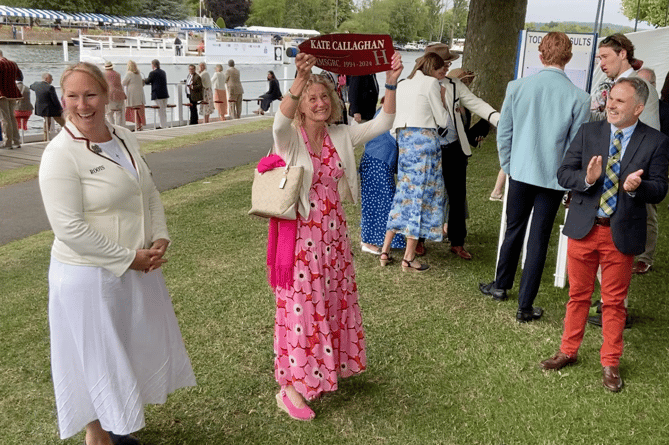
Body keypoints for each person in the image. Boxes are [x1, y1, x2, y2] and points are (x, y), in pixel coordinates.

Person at [38, 61, 196, 444]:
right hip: (88, 277)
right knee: (93, 360)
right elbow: (69, 229)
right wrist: (129, 257)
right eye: (72, 96)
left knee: (123, 350)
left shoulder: (125, 137)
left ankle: (115, 423)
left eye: (90, 94)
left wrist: (159, 235)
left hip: (134, 271)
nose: (81, 104)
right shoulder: (60, 154)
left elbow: (148, 191)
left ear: (107, 96)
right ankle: (99, 436)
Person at [269, 51, 402, 420]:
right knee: (302, 309)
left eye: (324, 97)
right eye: (312, 98)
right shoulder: (290, 139)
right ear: (301, 105)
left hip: (333, 238)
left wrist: (390, 80)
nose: (320, 103)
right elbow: (278, 123)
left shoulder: (340, 134)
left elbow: (385, 121)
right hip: (299, 238)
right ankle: (291, 388)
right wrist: (301, 77)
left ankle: (324, 369)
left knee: (329, 302)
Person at [540, 77, 669, 392]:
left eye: (620, 101)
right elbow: (563, 173)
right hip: (584, 229)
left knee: (613, 302)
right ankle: (568, 351)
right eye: (611, 98)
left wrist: (638, 188)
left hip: (620, 233)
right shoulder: (589, 132)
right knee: (578, 296)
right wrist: (586, 177)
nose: (610, 104)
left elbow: (660, 189)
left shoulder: (656, 141)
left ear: (638, 108)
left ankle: (610, 362)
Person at [478, 32, 590, 322]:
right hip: (553, 177)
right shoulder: (580, 97)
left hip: (521, 171)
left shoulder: (518, 87)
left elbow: (505, 132)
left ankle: (501, 286)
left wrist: (510, 164)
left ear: (540, 56)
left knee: (513, 228)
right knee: (539, 238)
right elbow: (575, 146)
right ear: (569, 57)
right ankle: (525, 306)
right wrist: (567, 178)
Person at [421, 43, 500, 260]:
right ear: (429, 63)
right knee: (425, 193)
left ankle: (457, 241)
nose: (447, 67)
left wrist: (500, 119)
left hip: (455, 148)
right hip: (428, 148)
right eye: (443, 64)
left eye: (448, 64)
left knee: (457, 196)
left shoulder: (455, 85)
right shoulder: (415, 85)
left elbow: (477, 104)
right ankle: (418, 239)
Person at [380, 52, 451, 272]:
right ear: (433, 70)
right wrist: (442, 97)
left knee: (404, 192)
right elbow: (442, 120)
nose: (443, 76)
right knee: (419, 196)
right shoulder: (431, 84)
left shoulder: (403, 84)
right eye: (441, 72)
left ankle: (385, 250)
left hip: (404, 140)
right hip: (425, 142)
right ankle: (409, 257)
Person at [359, 100, 406, 255]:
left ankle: (385, 239)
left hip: (378, 160)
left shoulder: (386, 110)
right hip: (377, 160)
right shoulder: (392, 112)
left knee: (384, 202)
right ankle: (368, 241)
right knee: (377, 203)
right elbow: (398, 137)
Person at [30, 72, 66, 140]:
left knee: (46, 122)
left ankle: (46, 138)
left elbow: (31, 86)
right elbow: (55, 100)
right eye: (51, 79)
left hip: (40, 108)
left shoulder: (36, 84)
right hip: (51, 109)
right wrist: (60, 109)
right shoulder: (50, 87)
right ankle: (70, 132)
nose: (52, 80)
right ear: (47, 79)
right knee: (62, 122)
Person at [0, 49, 23, 149]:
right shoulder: (13, 63)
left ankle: (7, 142)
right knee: (12, 118)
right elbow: (19, 77)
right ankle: (16, 141)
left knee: (5, 119)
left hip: (2, 93)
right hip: (13, 93)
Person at [144, 59, 169, 129]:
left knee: (160, 111)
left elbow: (148, 81)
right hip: (164, 93)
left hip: (157, 94)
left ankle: (163, 125)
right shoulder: (163, 72)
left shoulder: (152, 73)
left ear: (153, 65)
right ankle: (164, 124)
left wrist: (144, 80)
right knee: (163, 110)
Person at [122, 60, 146, 131]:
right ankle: (140, 126)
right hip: (140, 96)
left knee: (134, 111)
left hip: (133, 96)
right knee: (139, 112)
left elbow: (123, 83)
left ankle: (137, 126)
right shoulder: (138, 74)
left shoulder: (129, 74)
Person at [103, 61, 126, 126]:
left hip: (109, 95)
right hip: (119, 94)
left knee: (109, 113)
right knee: (119, 113)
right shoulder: (118, 74)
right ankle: (119, 127)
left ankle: (112, 127)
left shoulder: (103, 75)